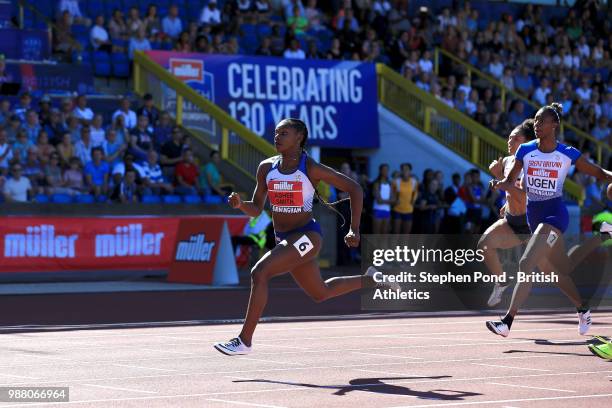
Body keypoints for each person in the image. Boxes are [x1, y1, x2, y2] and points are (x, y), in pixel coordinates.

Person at [213, 118, 374, 356]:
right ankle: (372, 280)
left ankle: (244, 341)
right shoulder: (266, 168)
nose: (277, 137)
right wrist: (240, 205)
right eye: (276, 133)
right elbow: (257, 208)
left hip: (307, 236)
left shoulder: (310, 168)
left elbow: (355, 189)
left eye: (284, 133)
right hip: (285, 240)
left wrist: (354, 228)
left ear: (299, 137)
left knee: (260, 272)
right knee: (321, 293)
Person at [486, 103, 612, 337]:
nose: (536, 125)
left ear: (554, 125)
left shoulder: (566, 153)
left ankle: (507, 322)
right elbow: (511, 180)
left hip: (554, 215)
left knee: (526, 264)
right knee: (563, 268)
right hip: (534, 215)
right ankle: (603, 236)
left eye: (541, 121)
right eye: (534, 121)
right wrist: (500, 184)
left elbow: (598, 173)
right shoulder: (525, 150)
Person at [478, 119, 535, 307]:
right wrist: (498, 177)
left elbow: (524, 197)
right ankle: (502, 282)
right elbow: (508, 187)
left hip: (531, 225)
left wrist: (500, 180)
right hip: (512, 221)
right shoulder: (509, 161)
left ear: (526, 142)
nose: (510, 141)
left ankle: (582, 309)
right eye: (509, 138)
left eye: (515, 138)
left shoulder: (532, 164)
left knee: (559, 272)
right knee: (484, 245)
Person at [393, 163, 418, 234]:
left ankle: (404, 246)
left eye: (407, 169)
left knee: (406, 234)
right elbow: (392, 193)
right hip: (397, 209)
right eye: (403, 169)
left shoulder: (414, 181)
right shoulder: (396, 181)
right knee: (396, 233)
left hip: (409, 210)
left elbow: (415, 193)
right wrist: (394, 200)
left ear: (410, 171)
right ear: (401, 171)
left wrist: (413, 200)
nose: (405, 171)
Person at [372, 163, 395, 234]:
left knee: (385, 234)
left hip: (387, 211)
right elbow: (379, 201)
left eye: (387, 170)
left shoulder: (389, 183)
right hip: (378, 210)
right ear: (380, 171)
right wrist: (390, 201)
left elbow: (393, 199)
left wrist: (386, 201)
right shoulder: (376, 183)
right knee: (376, 234)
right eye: (384, 170)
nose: (386, 171)